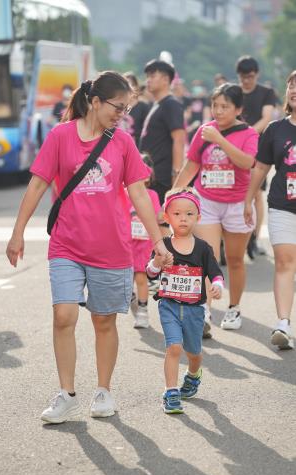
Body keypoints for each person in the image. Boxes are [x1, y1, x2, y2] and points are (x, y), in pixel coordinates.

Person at [6, 71, 172, 424]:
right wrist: (17, 232)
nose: (121, 114)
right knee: (63, 315)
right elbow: (37, 186)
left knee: (103, 321)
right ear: (95, 102)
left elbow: (139, 192)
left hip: (111, 246)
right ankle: (66, 394)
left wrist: (158, 239)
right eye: (117, 107)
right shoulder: (61, 136)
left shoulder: (123, 142)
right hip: (67, 243)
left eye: (126, 109)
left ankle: (103, 390)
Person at [174, 83, 259, 335]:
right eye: (215, 105)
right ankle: (205, 313)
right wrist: (174, 193)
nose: (218, 111)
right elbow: (191, 167)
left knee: (234, 260)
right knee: (207, 257)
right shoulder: (204, 130)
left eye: (225, 106)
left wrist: (219, 139)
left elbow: (247, 163)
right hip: (207, 201)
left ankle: (233, 307)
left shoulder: (249, 134)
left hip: (237, 204)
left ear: (238, 109)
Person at [147, 188, 223, 414]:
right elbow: (150, 273)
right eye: (177, 214)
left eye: (189, 214)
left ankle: (193, 374)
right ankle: (171, 392)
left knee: (194, 353)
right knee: (173, 347)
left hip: (194, 310)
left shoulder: (203, 248)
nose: (183, 218)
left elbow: (216, 273)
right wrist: (157, 264)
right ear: (166, 217)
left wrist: (217, 286)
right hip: (169, 305)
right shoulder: (163, 246)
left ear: (198, 218)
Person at [244, 70, 296, 350]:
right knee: (286, 262)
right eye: (291, 85)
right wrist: (248, 200)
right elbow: (261, 168)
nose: (294, 90)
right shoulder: (276, 130)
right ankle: (283, 323)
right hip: (282, 206)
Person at [236, 55, 277, 258]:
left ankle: (254, 237)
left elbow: (267, 117)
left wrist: (247, 135)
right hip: (233, 150)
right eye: (243, 77)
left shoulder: (266, 93)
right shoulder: (233, 93)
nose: (246, 81)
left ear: (257, 74)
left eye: (250, 77)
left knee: (256, 194)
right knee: (235, 192)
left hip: (258, 150)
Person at [140, 59, 185, 207]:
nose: (148, 80)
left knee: (162, 226)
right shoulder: (157, 104)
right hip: (151, 177)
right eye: (147, 77)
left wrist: (176, 178)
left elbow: (179, 139)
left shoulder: (171, 104)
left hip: (163, 179)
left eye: (152, 76)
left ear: (166, 79)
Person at [128, 153, 162, 329]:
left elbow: (157, 216)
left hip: (143, 245)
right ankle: (131, 299)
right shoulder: (123, 193)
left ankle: (142, 311)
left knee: (141, 278)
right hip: (125, 246)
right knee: (124, 281)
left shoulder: (152, 195)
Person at [119, 72, 150, 147]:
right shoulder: (117, 106)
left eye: (131, 84)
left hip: (137, 147)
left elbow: (148, 131)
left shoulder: (143, 107)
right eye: (125, 85)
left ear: (136, 87)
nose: (128, 88)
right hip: (119, 145)